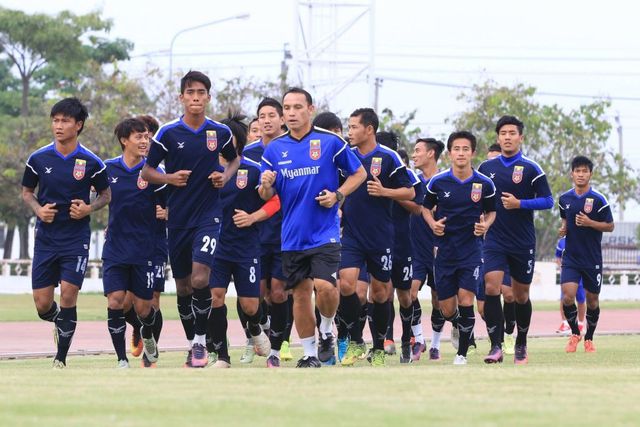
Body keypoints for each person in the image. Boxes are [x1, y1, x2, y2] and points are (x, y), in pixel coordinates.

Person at [259, 87, 366, 367]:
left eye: (297, 107)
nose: (291, 113)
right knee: (301, 294)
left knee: (326, 287)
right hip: (292, 236)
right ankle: (308, 354)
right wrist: (267, 185)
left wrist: (338, 196)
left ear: (310, 109)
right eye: (287, 108)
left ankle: (327, 330)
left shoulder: (330, 142)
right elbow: (265, 195)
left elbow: (359, 173)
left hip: (324, 232)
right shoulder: (274, 149)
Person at [142, 71, 240, 368]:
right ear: (181, 97)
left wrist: (224, 176)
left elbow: (234, 159)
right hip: (178, 218)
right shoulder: (168, 133)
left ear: (209, 97)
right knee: (184, 287)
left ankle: (200, 342)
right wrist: (169, 177)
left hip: (209, 216)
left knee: (201, 278)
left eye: (201, 92)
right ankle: (191, 343)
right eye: (190, 92)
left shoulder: (219, 132)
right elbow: (147, 172)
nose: (196, 97)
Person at [21, 97, 111, 369]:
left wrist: (88, 209)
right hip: (46, 239)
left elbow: (106, 194)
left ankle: (60, 358)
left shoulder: (92, 162)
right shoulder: (38, 158)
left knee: (70, 294)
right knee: (42, 304)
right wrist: (38, 210)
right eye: (55, 120)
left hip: (76, 239)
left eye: (64, 121)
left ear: (78, 125)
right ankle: (59, 321)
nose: (58, 126)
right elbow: (27, 193)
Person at [339, 108, 415, 367]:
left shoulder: (389, 157)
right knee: (346, 285)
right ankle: (355, 339)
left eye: (353, 127)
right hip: (351, 235)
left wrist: (385, 192)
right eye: (348, 127)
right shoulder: (345, 157)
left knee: (381, 294)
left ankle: (380, 346)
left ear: (369, 129)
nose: (349, 132)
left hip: (381, 236)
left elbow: (411, 193)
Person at [478, 115, 553, 364]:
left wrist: (520, 203)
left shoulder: (532, 168)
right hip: (494, 239)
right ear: (498, 138)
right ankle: (495, 346)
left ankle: (521, 341)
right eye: (503, 133)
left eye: (512, 133)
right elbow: (474, 198)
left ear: (520, 137)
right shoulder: (486, 169)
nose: (508, 137)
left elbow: (548, 201)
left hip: (522, 242)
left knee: (520, 296)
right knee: (491, 287)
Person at [423, 131, 496, 365]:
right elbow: (425, 209)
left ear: (473, 153)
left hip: (472, 251)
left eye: (466, 149)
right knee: (446, 309)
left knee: (466, 300)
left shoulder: (485, 184)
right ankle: (456, 324)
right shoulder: (438, 182)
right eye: (457, 149)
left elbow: (492, 212)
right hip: (445, 252)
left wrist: (485, 225)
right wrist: (433, 224)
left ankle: (462, 353)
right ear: (450, 153)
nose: (461, 153)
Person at [207, 114, 273, 368]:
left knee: (250, 304)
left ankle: (256, 326)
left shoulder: (253, 169)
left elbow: (270, 198)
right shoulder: (209, 169)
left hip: (246, 247)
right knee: (215, 296)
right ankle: (222, 356)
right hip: (216, 246)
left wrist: (253, 216)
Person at [102, 118, 164, 368]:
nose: (144, 141)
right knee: (116, 300)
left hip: (144, 249)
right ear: (124, 140)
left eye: (147, 137)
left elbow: (171, 203)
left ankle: (146, 333)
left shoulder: (154, 172)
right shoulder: (107, 169)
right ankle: (121, 359)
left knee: (144, 308)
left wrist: (166, 212)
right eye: (139, 137)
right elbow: (95, 196)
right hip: (116, 248)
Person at [243, 98, 291, 367]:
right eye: (262, 116)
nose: (267, 120)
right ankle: (259, 332)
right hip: (253, 233)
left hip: (285, 231)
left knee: (279, 292)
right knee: (254, 293)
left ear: (282, 119)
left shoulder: (293, 148)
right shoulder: (247, 153)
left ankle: (277, 348)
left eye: (272, 115)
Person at [559, 156, 614, 353]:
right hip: (571, 257)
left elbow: (610, 226)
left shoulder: (599, 199)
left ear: (590, 174)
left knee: (592, 300)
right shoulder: (564, 199)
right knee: (567, 296)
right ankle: (575, 333)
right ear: (572, 173)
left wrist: (590, 223)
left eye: (584, 171)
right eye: (577, 171)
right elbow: (565, 219)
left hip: (592, 258)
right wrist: (564, 228)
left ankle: (589, 338)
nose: (581, 174)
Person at [411, 137, 445, 361]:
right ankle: (418, 339)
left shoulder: (445, 181)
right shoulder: (411, 181)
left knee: (438, 300)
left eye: (418, 151)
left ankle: (435, 344)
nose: (414, 155)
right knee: (409, 294)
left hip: (440, 250)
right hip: (414, 249)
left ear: (431, 154)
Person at [486, 143, 516, 355]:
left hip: (515, 243)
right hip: (491, 243)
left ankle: (509, 334)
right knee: (492, 291)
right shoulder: (484, 175)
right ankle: (495, 343)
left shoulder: (517, 175)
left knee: (511, 295)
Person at [555, 237, 586, 333]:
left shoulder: (582, 238)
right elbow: (558, 257)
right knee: (564, 299)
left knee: (581, 299)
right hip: (567, 275)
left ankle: (580, 324)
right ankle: (565, 324)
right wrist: (563, 268)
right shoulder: (561, 241)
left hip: (581, 274)